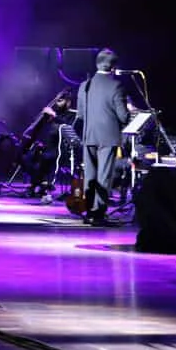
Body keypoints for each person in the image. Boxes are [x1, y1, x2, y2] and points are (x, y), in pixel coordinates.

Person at [75, 49, 134, 227]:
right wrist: (129, 109)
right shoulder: (116, 86)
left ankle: (88, 212)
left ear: (97, 64)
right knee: (104, 176)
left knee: (90, 175)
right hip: (108, 137)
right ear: (114, 67)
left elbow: (81, 115)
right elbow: (123, 117)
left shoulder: (84, 85)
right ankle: (98, 213)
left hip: (88, 135)